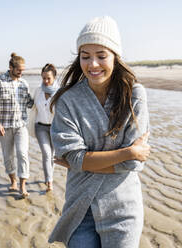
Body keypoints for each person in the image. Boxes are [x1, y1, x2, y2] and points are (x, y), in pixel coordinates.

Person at [48, 16, 150, 248]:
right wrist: (127, 153)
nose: (93, 64)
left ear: (115, 56)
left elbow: (136, 164)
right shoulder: (68, 99)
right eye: (85, 56)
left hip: (123, 208)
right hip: (80, 207)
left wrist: (82, 163)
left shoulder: (134, 95)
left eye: (101, 56)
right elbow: (74, 156)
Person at [0, 52, 33, 198]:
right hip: (4, 126)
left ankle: (23, 186)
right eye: (19, 70)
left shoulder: (24, 83)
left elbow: (30, 103)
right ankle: (13, 181)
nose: (21, 73)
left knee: (22, 153)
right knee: (8, 156)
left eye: (23, 70)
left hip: (21, 125)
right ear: (10, 67)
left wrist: (46, 94)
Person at [33, 63, 59, 192]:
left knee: (53, 155)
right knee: (47, 154)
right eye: (43, 78)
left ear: (54, 77)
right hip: (40, 127)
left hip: (55, 128)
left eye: (48, 78)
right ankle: (49, 181)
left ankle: (49, 176)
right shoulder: (38, 90)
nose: (46, 81)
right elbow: (32, 106)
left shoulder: (60, 92)